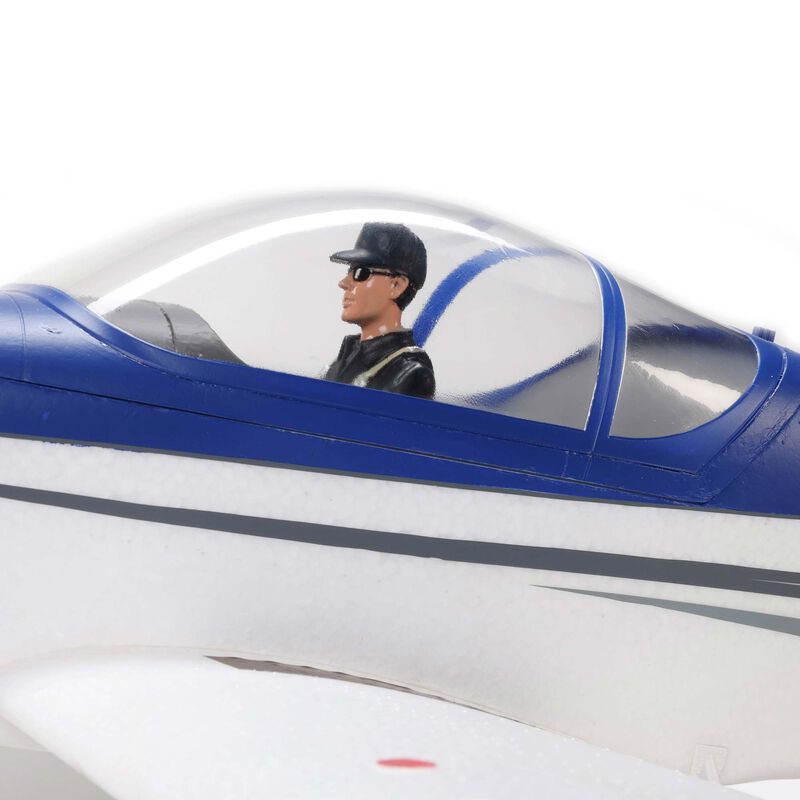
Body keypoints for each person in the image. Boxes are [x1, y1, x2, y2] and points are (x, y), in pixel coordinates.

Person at [324, 222, 435, 399]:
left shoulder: (409, 374)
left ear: (396, 285)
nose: (343, 283)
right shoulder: (344, 359)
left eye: (360, 272)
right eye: (349, 271)